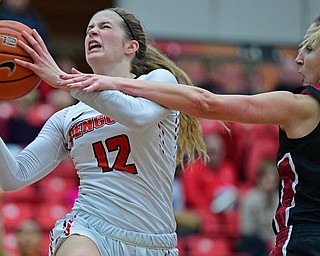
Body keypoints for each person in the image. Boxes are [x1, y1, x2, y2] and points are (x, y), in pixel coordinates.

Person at [59, 15, 320, 256]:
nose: (298, 58)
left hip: (307, 236)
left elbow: (205, 103)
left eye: (309, 50)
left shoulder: (302, 107)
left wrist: (110, 82)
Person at [5, 7, 207, 256]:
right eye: (90, 29)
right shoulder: (67, 117)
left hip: (153, 241)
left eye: (104, 27)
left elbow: (138, 117)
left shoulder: (158, 81)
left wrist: (63, 81)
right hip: (90, 227)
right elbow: (14, 176)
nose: (93, 32)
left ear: (131, 46)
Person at [235, 159, 279, 256]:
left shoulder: (281, 200)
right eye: (267, 176)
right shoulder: (250, 200)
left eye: (273, 176)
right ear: (259, 178)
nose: (270, 179)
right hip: (256, 245)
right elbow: (247, 231)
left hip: (276, 243)